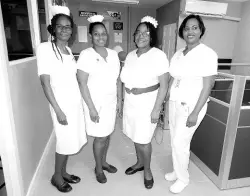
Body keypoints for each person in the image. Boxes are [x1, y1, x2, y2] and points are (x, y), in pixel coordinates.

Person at [36, 6, 87, 193]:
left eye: (68, 27)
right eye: (61, 26)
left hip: (74, 103)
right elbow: (45, 82)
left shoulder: (67, 49)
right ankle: (56, 176)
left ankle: (63, 172)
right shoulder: (45, 48)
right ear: (53, 29)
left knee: (70, 139)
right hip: (61, 104)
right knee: (63, 140)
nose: (65, 30)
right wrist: (58, 110)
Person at [165, 14, 218, 194]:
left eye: (194, 28)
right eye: (187, 28)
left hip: (192, 107)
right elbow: (174, 78)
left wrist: (195, 112)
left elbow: (208, 86)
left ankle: (183, 178)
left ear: (201, 30)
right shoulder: (179, 53)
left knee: (181, 142)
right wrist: (167, 99)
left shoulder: (207, 54)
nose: (190, 31)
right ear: (182, 32)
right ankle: (177, 170)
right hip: (175, 103)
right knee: (174, 140)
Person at [120, 16, 169, 189]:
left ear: (152, 36)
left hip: (147, 104)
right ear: (134, 36)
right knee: (135, 135)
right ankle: (139, 163)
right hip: (130, 103)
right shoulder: (131, 55)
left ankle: (147, 169)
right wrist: (122, 101)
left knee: (144, 139)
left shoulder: (159, 55)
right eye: (138, 33)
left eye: (145, 33)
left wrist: (157, 109)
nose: (141, 36)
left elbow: (164, 85)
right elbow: (123, 80)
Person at [76, 15, 122, 184]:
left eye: (103, 33)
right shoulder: (86, 55)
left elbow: (117, 80)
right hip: (94, 103)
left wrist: (120, 101)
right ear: (90, 36)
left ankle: (103, 162)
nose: (100, 37)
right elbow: (82, 82)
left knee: (107, 134)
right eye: (96, 34)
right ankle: (98, 167)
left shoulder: (113, 54)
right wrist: (92, 108)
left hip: (111, 102)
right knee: (100, 137)